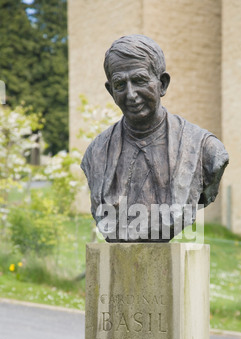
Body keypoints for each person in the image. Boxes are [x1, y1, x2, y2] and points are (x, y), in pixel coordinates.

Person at [81, 35, 229, 242]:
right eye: (120, 84)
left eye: (139, 80)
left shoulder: (206, 150)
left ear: (162, 84)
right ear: (110, 91)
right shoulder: (95, 154)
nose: (131, 94)